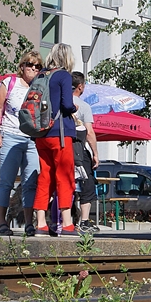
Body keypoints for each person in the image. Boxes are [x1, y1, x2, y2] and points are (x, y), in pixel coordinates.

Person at [0, 51, 43, 237]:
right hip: (10, 135)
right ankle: (2, 223)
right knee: (6, 181)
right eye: (30, 65)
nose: (34, 69)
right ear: (22, 66)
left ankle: (29, 222)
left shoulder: (40, 87)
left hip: (32, 139)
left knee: (30, 182)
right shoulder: (9, 83)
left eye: (38, 66)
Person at [33, 43, 79, 236]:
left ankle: (41, 223)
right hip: (59, 133)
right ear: (67, 58)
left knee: (45, 176)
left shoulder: (40, 75)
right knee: (65, 175)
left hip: (40, 133)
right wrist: (74, 109)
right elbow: (67, 104)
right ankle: (67, 223)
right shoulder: (63, 76)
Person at [71, 72, 101, 234]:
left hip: (60, 150)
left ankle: (63, 219)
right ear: (80, 86)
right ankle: (84, 221)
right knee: (87, 184)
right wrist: (95, 153)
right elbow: (89, 132)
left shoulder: (57, 102)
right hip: (78, 152)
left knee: (65, 185)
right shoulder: (83, 106)